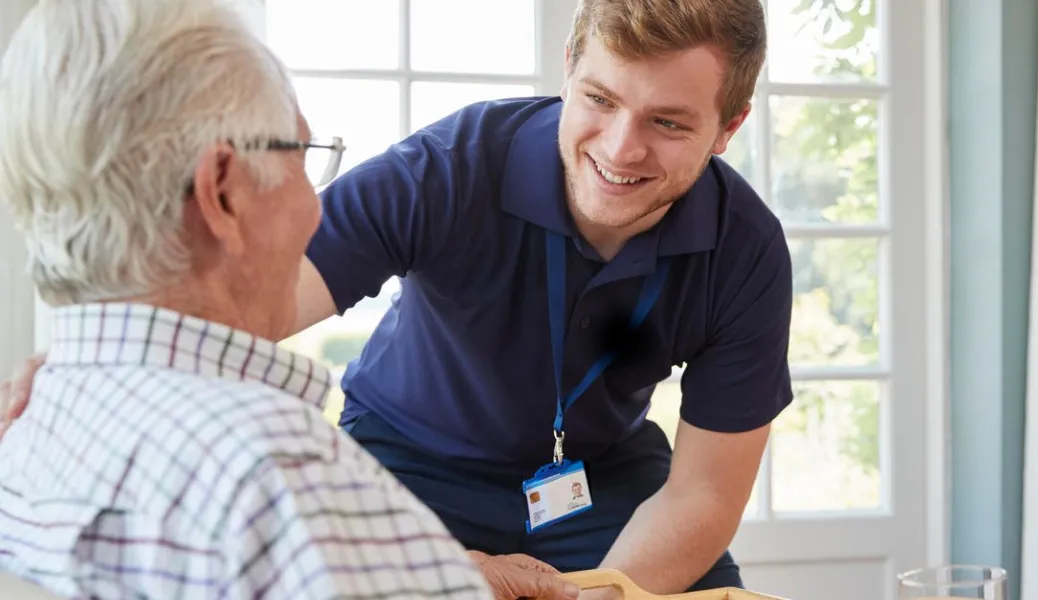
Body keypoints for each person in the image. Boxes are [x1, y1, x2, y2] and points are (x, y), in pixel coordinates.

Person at [3, 0, 794, 594]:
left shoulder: (747, 247)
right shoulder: (447, 168)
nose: (620, 149)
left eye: (667, 123)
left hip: (598, 481)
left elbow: (702, 493)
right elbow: (246, 293)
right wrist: (91, 363)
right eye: (599, 100)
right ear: (569, 66)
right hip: (410, 461)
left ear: (729, 127)